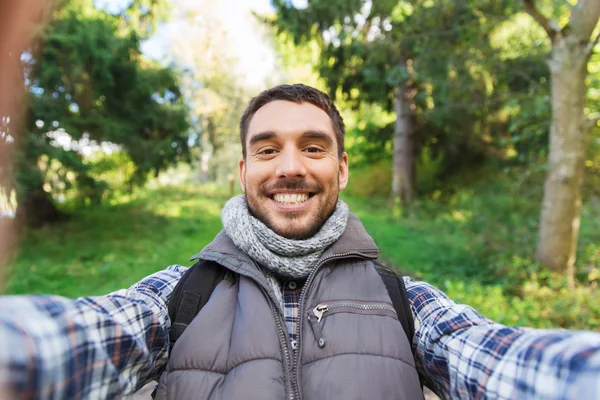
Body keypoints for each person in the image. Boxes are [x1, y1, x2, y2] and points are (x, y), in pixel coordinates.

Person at [1, 84, 599, 400]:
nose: (290, 167)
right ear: (242, 172)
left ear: (340, 169)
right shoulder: (179, 293)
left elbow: (498, 358)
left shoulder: (404, 301)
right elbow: (80, 336)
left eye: (312, 148)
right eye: (267, 149)